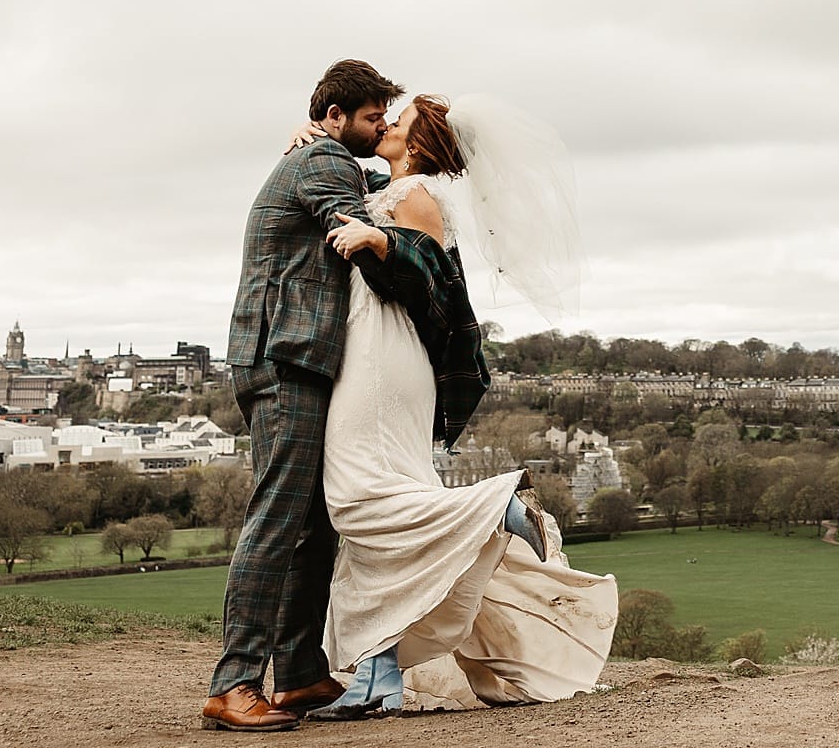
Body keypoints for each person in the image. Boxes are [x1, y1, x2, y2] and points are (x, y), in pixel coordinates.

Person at [304, 91, 616, 717]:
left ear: (417, 144)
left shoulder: (417, 196)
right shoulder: (388, 186)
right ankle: (379, 672)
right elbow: (345, 176)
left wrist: (382, 243)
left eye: (400, 121)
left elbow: (429, 275)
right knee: (380, 516)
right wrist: (311, 141)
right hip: (369, 353)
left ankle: (494, 505)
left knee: (356, 497)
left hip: (383, 359)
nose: (387, 124)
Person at [204, 59, 403, 732]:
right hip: (283, 359)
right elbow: (358, 226)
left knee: (312, 522)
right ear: (335, 116)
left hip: (300, 360)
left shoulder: (325, 156)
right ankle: (233, 685)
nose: (381, 129)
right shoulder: (323, 163)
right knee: (278, 517)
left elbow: (374, 188)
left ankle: (296, 674)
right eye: (373, 118)